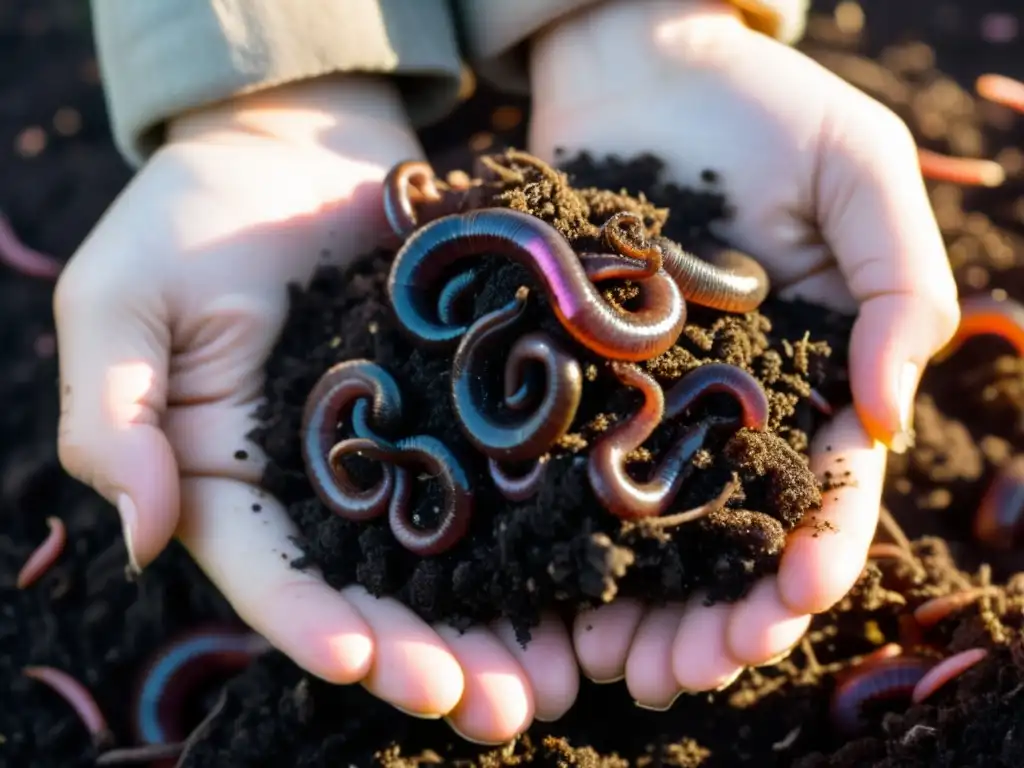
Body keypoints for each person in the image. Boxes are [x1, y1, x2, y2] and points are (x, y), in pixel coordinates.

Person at [60, 0, 958, 746]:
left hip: (511, 361)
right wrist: (257, 109)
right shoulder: (418, 374)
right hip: (468, 369)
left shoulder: (550, 339)